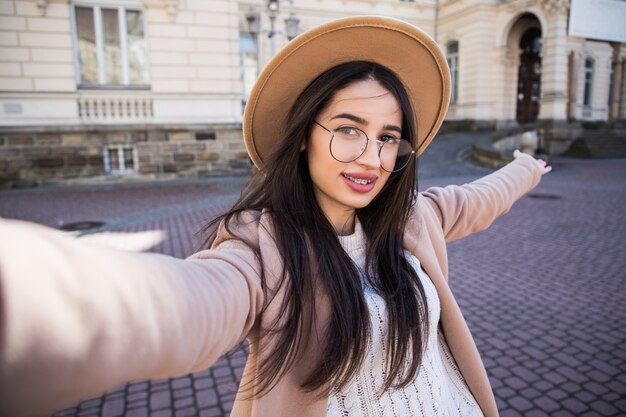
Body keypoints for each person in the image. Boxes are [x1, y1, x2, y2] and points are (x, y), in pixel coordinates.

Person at [0, 16, 551, 417]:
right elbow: (185, 300)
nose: (372, 158)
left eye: (388, 138)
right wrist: (38, 301)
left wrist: (527, 167)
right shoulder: (260, 249)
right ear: (304, 136)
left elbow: (481, 198)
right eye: (348, 129)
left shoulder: (411, 220)